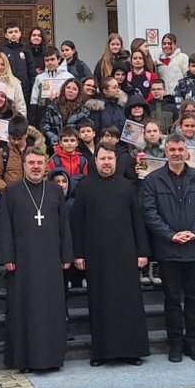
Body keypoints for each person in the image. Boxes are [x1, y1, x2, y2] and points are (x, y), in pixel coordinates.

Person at [72, 145, 151, 366]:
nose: (106, 162)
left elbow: (137, 220)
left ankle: (132, 351)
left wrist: (142, 251)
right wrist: (78, 254)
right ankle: (101, 353)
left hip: (125, 253)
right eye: (103, 158)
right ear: (95, 161)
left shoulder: (127, 186)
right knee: (100, 303)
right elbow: (78, 223)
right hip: (96, 254)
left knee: (128, 302)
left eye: (110, 158)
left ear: (115, 161)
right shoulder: (84, 187)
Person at [142, 133, 195, 363]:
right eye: (172, 149)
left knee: (194, 297)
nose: (176, 153)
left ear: (187, 152)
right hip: (168, 249)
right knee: (172, 299)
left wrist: (194, 232)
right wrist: (170, 235)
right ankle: (175, 343)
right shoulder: (152, 180)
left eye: (180, 149)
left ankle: (193, 343)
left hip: (194, 248)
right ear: (166, 152)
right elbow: (150, 213)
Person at [0, 149, 74, 372]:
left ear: (45, 166)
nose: (36, 167)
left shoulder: (55, 190)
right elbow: (5, 226)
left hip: (51, 260)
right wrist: (7, 256)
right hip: (23, 261)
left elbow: (64, 226)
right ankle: (25, 360)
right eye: (31, 163)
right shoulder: (11, 191)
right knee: (24, 309)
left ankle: (52, 358)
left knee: (51, 309)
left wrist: (66, 255)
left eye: (40, 163)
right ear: (24, 165)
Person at [40, 77, 91, 146]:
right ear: (64, 90)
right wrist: (55, 139)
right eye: (68, 88)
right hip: (54, 145)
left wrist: (70, 141)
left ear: (79, 92)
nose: (70, 91)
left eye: (74, 89)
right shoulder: (53, 106)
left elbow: (84, 129)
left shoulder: (84, 111)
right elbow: (44, 125)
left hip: (75, 145)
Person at [29, 48, 74, 127]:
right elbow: (34, 99)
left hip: (63, 113)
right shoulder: (39, 78)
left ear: (58, 59)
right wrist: (33, 120)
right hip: (43, 114)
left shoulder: (68, 77)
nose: (50, 62)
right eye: (47, 60)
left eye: (52, 59)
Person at [0, 22, 34, 102]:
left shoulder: (25, 49)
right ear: (6, 35)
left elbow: (31, 69)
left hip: (24, 88)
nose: (13, 34)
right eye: (10, 32)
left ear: (20, 34)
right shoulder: (1, 50)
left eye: (16, 31)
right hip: (7, 87)